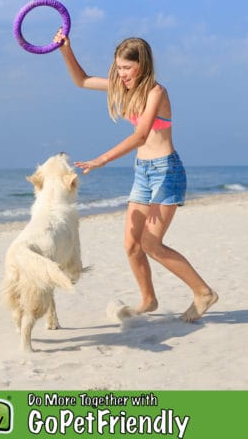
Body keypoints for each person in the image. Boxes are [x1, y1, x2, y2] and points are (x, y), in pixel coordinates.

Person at [54, 30, 218, 322]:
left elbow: (142, 135)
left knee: (151, 244)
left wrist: (102, 159)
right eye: (118, 67)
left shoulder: (157, 92)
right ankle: (148, 299)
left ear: (142, 65)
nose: (121, 74)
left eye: (127, 68)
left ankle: (203, 292)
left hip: (166, 172)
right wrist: (66, 49)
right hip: (142, 173)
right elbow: (81, 81)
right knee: (131, 244)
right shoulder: (122, 87)